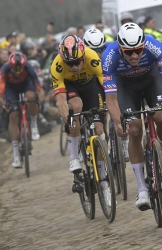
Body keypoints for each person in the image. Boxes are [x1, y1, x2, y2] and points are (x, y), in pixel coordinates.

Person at [102, 23, 162, 210]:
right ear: (120, 48)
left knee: (160, 117)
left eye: (138, 50)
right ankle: (142, 188)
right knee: (133, 129)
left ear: (144, 45)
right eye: (129, 52)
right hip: (126, 87)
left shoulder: (153, 45)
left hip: (151, 80)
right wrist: (119, 123)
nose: (134, 55)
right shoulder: (109, 56)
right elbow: (110, 100)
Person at [50, 35, 106, 175]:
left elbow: (105, 84)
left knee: (99, 129)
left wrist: (111, 103)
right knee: (76, 107)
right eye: (69, 63)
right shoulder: (57, 66)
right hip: (71, 87)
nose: (74, 66)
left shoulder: (92, 56)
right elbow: (61, 100)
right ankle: (74, 157)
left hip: (90, 85)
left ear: (83, 56)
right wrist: (67, 120)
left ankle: (104, 178)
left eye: (77, 62)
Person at [83, 28, 130, 161]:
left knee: (119, 107)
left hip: (110, 79)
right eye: (93, 51)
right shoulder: (81, 54)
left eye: (100, 50)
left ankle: (123, 141)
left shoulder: (111, 48)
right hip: (93, 83)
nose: (98, 54)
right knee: (100, 117)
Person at [0, 52, 44, 167]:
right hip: (10, 88)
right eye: (15, 70)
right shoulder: (4, 70)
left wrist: (40, 101)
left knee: (31, 97)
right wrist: (5, 105)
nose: (18, 72)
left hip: (25, 84)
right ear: (10, 66)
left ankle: (33, 124)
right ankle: (16, 153)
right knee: (13, 116)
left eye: (20, 69)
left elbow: (39, 89)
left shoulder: (28, 67)